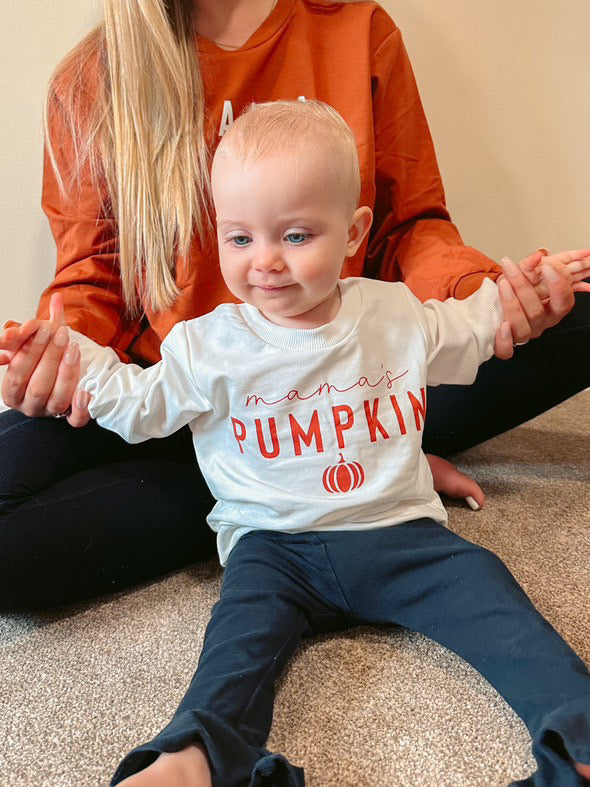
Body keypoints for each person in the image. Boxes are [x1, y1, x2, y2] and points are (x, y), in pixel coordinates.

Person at [26, 99, 590, 786]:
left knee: (490, 589)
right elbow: (140, 406)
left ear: (353, 233)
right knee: (235, 647)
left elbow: (474, 326)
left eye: (295, 236)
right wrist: (76, 357)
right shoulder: (209, 344)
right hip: (274, 547)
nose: (265, 262)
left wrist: (521, 297)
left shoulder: (392, 312)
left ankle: (576, 726)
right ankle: (189, 755)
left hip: (397, 531)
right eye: (240, 239)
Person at [0, 0, 589, 611]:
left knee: (579, 309)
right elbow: (94, 275)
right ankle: (323, 482)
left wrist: (486, 295)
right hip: (176, 393)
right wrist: (58, 358)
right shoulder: (92, 78)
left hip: (353, 379)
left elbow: (408, 225)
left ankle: (349, 469)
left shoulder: (358, 29)